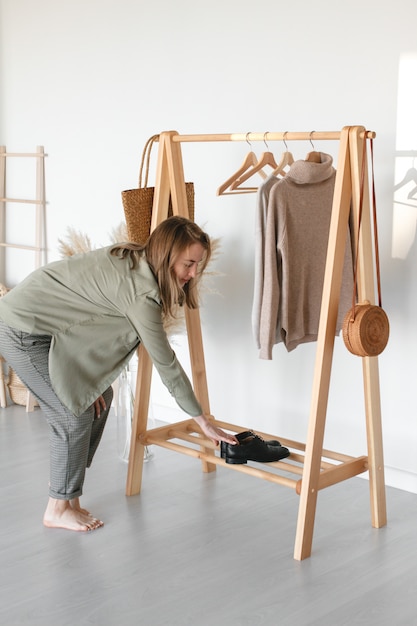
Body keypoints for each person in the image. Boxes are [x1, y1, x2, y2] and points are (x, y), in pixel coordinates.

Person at [0, 215, 238, 532]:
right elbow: (167, 364)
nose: (193, 274)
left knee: (101, 395)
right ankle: (57, 507)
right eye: (188, 265)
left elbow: (87, 320)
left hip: (45, 328)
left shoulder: (136, 258)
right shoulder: (142, 295)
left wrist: (87, 381)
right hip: (20, 328)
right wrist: (203, 422)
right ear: (167, 257)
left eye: (198, 266)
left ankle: (67, 492)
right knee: (73, 416)